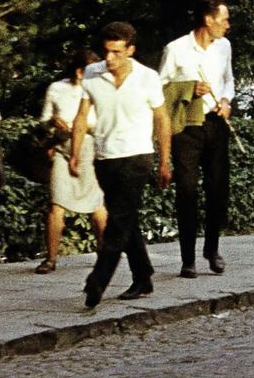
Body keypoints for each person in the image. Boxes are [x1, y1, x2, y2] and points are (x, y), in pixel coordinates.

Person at [72, 22, 172, 308]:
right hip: (105, 157)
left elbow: (162, 119)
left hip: (137, 155)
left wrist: (165, 160)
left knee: (117, 220)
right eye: (107, 52)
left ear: (130, 50)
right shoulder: (93, 73)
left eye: (117, 52)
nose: (110, 59)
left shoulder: (147, 78)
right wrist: (76, 152)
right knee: (125, 218)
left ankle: (98, 279)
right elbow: (81, 116)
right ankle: (143, 276)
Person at [158, 0, 236, 277]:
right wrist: (189, 88)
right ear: (208, 19)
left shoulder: (224, 47)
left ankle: (212, 249)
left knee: (217, 188)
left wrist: (226, 101)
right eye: (224, 19)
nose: (228, 25)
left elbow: (228, 79)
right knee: (187, 190)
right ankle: (187, 258)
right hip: (187, 127)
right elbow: (160, 89)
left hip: (215, 123)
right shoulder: (176, 49)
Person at [36, 49, 107, 274]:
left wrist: (84, 126)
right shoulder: (57, 88)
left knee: (97, 204)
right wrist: (53, 123)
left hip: (89, 150)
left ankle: (105, 253)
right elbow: (43, 122)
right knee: (56, 203)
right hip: (61, 148)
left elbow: (105, 123)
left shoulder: (101, 90)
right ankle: (50, 258)